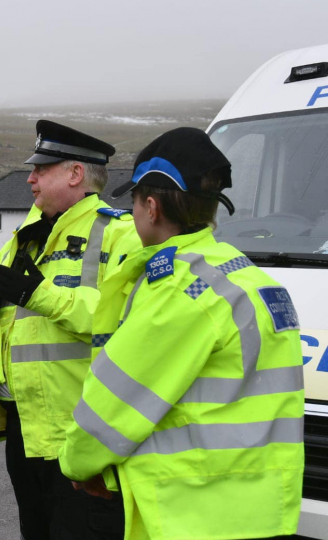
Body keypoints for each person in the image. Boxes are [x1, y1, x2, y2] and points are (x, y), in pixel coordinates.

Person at [57, 127, 304, 540]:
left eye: (134, 202)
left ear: (151, 207)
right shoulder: (250, 278)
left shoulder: (183, 289)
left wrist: (78, 464)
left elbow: (115, 404)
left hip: (191, 514)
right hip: (258, 511)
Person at [0, 120, 141, 540]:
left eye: (41, 169)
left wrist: (41, 294)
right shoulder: (27, 236)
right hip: (25, 430)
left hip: (83, 435)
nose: (29, 178)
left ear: (75, 174)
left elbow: (126, 322)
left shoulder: (121, 233)